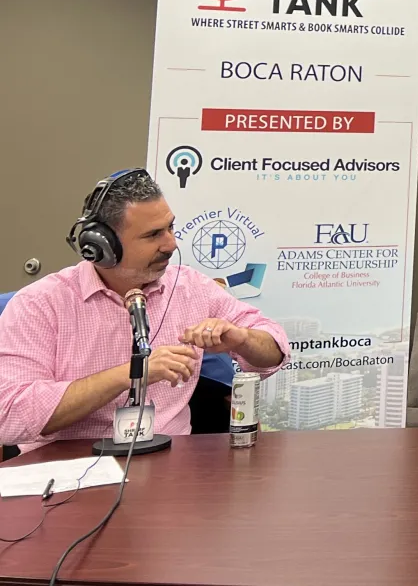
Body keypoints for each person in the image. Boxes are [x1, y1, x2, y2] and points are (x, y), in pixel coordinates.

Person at [0, 168, 288, 452]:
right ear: (101, 246)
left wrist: (242, 338)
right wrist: (132, 373)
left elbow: (275, 350)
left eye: (171, 228)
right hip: (68, 472)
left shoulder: (191, 287)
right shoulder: (39, 305)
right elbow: (10, 415)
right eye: (153, 235)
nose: (171, 244)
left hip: (172, 468)